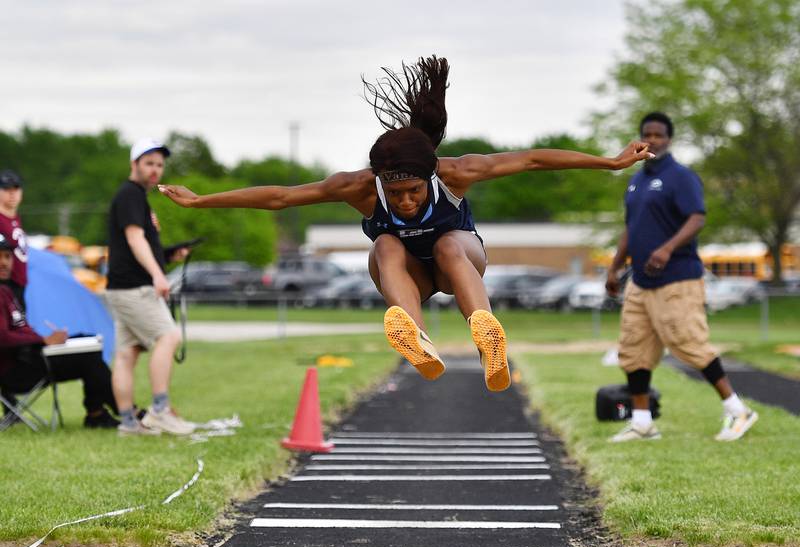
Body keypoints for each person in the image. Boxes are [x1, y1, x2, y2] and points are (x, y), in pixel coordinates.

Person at [159, 56, 653, 391]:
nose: (407, 200)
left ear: (430, 175)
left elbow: (532, 161)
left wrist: (608, 162)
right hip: (409, 278)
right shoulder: (359, 186)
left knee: (447, 245)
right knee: (386, 246)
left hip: (458, 261)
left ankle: (487, 334)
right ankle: (415, 336)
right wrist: (203, 201)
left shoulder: (455, 171)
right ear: (379, 181)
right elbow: (282, 197)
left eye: (413, 191)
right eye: (395, 193)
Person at [605, 112, 758, 443]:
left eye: (659, 135)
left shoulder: (680, 176)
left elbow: (697, 218)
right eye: (647, 134)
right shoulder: (636, 180)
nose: (653, 140)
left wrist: (666, 249)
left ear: (669, 139)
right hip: (640, 281)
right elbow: (630, 229)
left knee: (689, 344)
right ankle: (643, 422)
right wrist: (614, 266)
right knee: (633, 349)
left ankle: (737, 409)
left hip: (678, 278)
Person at [105, 138, 193, 436]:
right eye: (149, 163)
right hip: (134, 288)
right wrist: (159, 275)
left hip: (121, 286)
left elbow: (132, 247)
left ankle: (129, 423)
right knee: (168, 337)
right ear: (134, 165)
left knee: (127, 354)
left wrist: (168, 255)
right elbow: (134, 240)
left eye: (159, 164)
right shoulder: (130, 195)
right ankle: (159, 410)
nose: (155, 170)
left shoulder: (133, 197)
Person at [0, 233, 119, 428]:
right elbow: (2, 337)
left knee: (87, 341)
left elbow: (20, 330)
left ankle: (101, 412)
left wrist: (45, 338)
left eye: (7, 256)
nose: (4, 263)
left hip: (29, 358)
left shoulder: (7, 291)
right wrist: (42, 340)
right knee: (89, 358)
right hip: (15, 372)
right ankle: (112, 412)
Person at [0, 170, 29, 309]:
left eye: (16, 188)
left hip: (19, 286)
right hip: (5, 286)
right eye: (6, 189)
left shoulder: (15, 219)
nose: (12, 193)